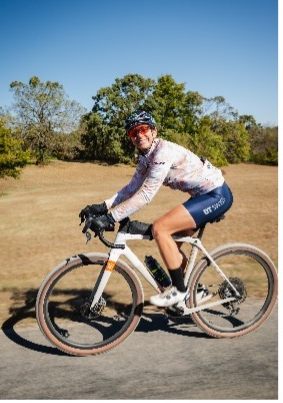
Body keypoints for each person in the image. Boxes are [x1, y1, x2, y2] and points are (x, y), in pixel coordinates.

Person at [79, 110, 233, 308]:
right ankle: (198, 290)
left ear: (153, 131)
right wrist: (101, 207)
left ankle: (179, 291)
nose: (139, 135)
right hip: (202, 197)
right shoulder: (146, 158)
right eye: (133, 132)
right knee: (171, 247)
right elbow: (131, 189)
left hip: (216, 195)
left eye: (143, 129)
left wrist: (110, 219)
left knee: (161, 229)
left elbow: (145, 195)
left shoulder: (162, 153)